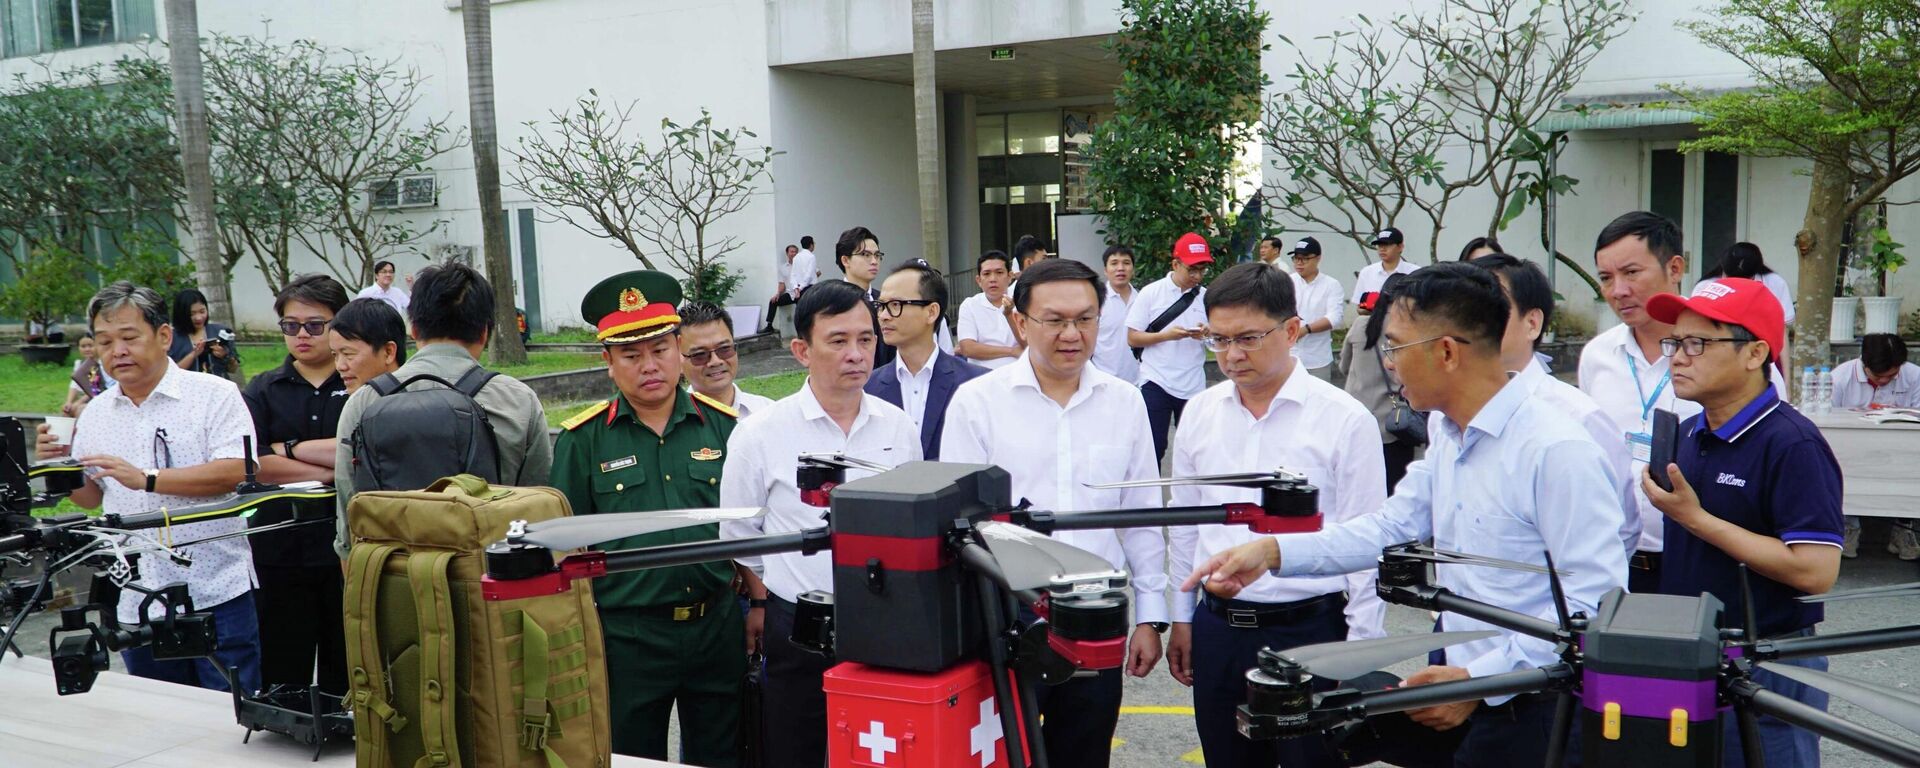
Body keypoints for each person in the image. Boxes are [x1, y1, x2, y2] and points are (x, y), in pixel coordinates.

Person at [1188, 263, 1629, 767]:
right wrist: (1272, 551)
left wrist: (1485, 679)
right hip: (1466, 689)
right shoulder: (1450, 433)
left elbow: (1596, 606)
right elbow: (1388, 527)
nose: (1388, 364)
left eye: (1395, 346)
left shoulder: (1555, 449)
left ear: (1445, 351)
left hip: (1534, 704)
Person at [941, 258, 1167, 768]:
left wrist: (1152, 615)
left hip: (1096, 612)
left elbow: (1142, 515)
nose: (1072, 334)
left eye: (1085, 319)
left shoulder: (1125, 402)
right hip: (1004, 614)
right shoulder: (977, 403)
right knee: (1001, 753)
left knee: (1084, 750)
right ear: (1020, 323)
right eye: (1055, 320)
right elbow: (957, 526)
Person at [1165, 263, 1388, 768]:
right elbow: (1185, 525)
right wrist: (1183, 618)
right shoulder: (1200, 413)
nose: (1232, 355)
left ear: (1291, 330)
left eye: (1247, 337)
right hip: (1218, 629)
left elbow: (1364, 539)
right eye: (1217, 340)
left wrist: (1363, 648)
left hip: (1309, 631)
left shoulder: (1343, 419)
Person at [1641, 278, 1842, 767]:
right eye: (1675, 342)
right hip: (1690, 654)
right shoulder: (1686, 432)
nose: (1678, 357)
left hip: (1766, 662)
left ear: (1755, 354)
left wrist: (1696, 519)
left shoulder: (1792, 444)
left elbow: (1816, 571)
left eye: (1698, 343)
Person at [720, 280, 922, 768]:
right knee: (795, 748)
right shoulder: (759, 434)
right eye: (838, 341)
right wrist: (766, 600)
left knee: (882, 749)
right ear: (801, 350)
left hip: (884, 620)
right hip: (797, 624)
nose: (856, 354)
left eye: (866, 339)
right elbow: (740, 537)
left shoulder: (898, 426)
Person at [552, 271, 745, 764]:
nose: (649, 365)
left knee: (720, 754)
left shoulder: (725, 428)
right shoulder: (582, 441)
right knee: (632, 758)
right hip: (627, 637)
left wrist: (758, 605)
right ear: (608, 363)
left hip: (715, 625)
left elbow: (748, 528)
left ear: (679, 349)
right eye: (631, 355)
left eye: (660, 349)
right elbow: (565, 548)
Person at [36, 281, 262, 693]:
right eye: (103, 341)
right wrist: (58, 465)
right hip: (136, 595)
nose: (115, 351)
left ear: (163, 336)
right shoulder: (96, 412)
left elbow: (236, 470)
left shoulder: (215, 394)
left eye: (128, 337)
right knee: (161, 717)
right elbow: (92, 497)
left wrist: (148, 479)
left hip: (215, 589)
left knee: (232, 721)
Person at [332, 260, 551, 555]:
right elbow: (537, 504)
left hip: (395, 578)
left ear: (414, 327)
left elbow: (349, 513)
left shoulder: (365, 401)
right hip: (491, 579)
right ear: (485, 332)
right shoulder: (517, 399)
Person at [1471, 253, 1640, 558]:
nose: (1470, 326)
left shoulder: (1580, 418)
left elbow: (1619, 531)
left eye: (1490, 309)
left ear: (1532, 323)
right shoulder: (1448, 415)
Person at [239, 274, 352, 698]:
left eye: (315, 325)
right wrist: (331, 470)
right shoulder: (263, 389)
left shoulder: (358, 385)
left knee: (347, 672)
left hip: (346, 549)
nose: (301, 335)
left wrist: (287, 450)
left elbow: (362, 452)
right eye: (291, 325)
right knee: (283, 675)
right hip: (279, 551)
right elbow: (256, 465)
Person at [1578, 212, 1701, 593]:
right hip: (1616, 559)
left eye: (1632, 273)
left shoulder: (1724, 352)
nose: (1618, 291)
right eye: (1606, 278)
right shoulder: (1598, 355)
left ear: (1675, 268)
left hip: (1700, 556)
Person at [866, 259, 987, 460]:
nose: (884, 316)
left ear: (931, 312)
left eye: (895, 305)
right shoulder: (868, 388)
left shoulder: (976, 384)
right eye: (881, 306)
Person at [1829, 333, 1920, 559]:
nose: (1884, 381)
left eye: (1892, 375)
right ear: (1864, 364)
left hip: (1901, 447)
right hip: (1852, 448)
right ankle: (1849, 525)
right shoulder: (1840, 377)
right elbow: (1828, 417)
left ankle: (1903, 527)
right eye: (1879, 376)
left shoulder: (1914, 375)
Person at [1128, 232, 1214, 461]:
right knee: (1153, 447)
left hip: (1193, 384)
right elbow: (1133, 337)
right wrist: (1165, 336)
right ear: (1175, 264)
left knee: (1195, 449)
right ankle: (1149, 496)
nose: (1197, 276)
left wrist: (1207, 333)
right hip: (1156, 380)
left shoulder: (1207, 297)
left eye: (1202, 270)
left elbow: (1220, 337)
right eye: (1192, 269)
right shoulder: (1151, 293)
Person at [1340, 273, 1419, 492]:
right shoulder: (1407, 331)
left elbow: (1344, 367)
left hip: (1356, 418)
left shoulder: (1359, 324)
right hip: (1393, 426)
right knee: (1394, 489)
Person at [680, 300, 775, 417]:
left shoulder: (768, 412)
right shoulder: (672, 428)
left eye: (724, 349)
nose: (715, 361)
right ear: (678, 361)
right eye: (700, 355)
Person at [834, 226, 894, 368]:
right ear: (845, 260)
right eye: (866, 255)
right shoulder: (832, 302)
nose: (874, 261)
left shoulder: (886, 301)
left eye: (877, 255)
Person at [1287, 236, 1345, 381]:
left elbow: (1335, 318)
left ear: (1318, 258)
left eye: (1305, 258)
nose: (1299, 263)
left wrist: (1306, 329)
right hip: (1288, 356)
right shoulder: (1287, 281)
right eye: (1296, 258)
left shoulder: (1331, 285)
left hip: (1317, 358)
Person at [956, 250, 1023, 370]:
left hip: (1017, 373)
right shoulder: (969, 305)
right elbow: (968, 348)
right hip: (980, 376)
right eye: (986, 274)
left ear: (1010, 276)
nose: (993, 279)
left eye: (999, 272)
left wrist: (1009, 315)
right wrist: (1011, 351)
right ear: (979, 280)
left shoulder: (1023, 303)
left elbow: (1027, 345)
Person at [1700, 242, 1796, 324]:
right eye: (1731, 279)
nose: (1737, 286)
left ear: (1756, 272)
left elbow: (1784, 323)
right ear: (1723, 268)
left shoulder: (1775, 283)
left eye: (1745, 280)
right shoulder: (1705, 286)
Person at [327, 298, 408, 393]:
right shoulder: (353, 402)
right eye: (335, 355)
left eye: (348, 354)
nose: (340, 366)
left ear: (388, 352)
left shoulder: (418, 401)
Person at [1092, 245, 1141, 382]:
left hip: (1138, 382)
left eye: (1126, 263)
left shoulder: (1142, 300)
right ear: (1105, 270)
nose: (1121, 268)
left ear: (1133, 269)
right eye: (1114, 263)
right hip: (1104, 381)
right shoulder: (1096, 301)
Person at [168, 287, 236, 379]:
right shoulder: (171, 338)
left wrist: (225, 356)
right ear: (181, 314)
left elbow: (233, 369)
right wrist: (194, 354)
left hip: (217, 389)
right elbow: (170, 374)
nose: (199, 317)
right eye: (192, 314)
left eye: (202, 311)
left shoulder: (220, 331)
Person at [1352, 227, 1420, 316]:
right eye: (1379, 245)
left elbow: (1421, 306)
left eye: (1387, 244)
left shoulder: (1415, 272)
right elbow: (1360, 309)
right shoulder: (1367, 272)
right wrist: (1373, 305)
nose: (1382, 249)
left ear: (1400, 247)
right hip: (1374, 323)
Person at [764, 243, 812, 335]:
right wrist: (778, 293)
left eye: (796, 252)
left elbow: (817, 273)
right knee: (773, 301)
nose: (794, 253)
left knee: (800, 313)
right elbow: (782, 283)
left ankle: (802, 334)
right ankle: (769, 326)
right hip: (791, 294)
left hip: (802, 293)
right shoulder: (783, 268)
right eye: (792, 251)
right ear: (787, 253)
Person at [63, 331, 111, 416]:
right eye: (83, 346)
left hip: (102, 397)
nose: (87, 349)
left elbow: (95, 388)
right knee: (67, 410)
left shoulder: (103, 364)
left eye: (90, 346)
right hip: (87, 397)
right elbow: (75, 385)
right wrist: (69, 402)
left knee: (79, 410)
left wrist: (79, 402)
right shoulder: (80, 364)